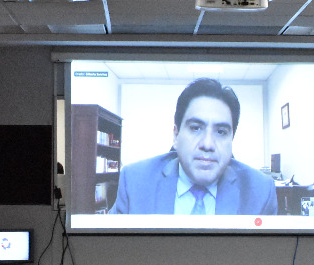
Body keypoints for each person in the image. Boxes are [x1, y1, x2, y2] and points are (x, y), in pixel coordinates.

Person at [108, 78, 278, 215]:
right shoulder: (135, 182)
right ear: (176, 135)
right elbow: (109, 251)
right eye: (196, 128)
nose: (208, 144)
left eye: (221, 132)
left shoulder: (260, 192)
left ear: (232, 139)